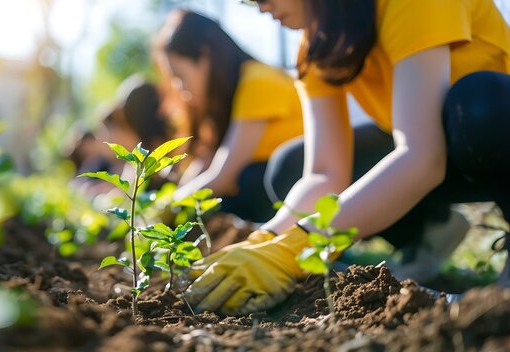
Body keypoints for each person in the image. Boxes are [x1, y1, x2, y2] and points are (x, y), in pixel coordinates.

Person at [186, 0, 510, 315]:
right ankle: (429, 232)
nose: (260, 7)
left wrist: (297, 248)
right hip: (442, 153)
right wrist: (267, 240)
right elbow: (324, 173)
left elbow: (422, 156)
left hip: (485, 134)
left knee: (479, 104)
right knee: (290, 166)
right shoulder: (317, 48)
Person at [158, 10, 304, 222]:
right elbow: (205, 164)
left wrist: (166, 208)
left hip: (298, 186)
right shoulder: (235, 93)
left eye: (180, 76)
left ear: (205, 56)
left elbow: (223, 177)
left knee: (246, 182)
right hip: (279, 188)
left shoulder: (258, 82)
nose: (180, 88)